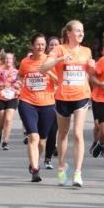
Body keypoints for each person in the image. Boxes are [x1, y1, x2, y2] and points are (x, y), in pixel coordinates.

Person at [39, 20, 95, 187]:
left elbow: (88, 74)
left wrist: (92, 68)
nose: (81, 34)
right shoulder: (59, 49)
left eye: (82, 31)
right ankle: (62, 167)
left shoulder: (87, 51)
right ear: (69, 33)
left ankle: (78, 173)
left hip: (81, 96)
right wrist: (60, 59)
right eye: (77, 31)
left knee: (78, 133)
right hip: (63, 97)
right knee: (62, 134)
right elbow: (43, 68)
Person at [17, 33, 58, 182]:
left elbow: (59, 81)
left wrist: (48, 72)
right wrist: (20, 83)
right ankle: (35, 169)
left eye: (43, 44)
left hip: (47, 104)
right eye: (37, 44)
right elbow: (20, 75)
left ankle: (34, 160)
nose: (40, 47)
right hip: (27, 102)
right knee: (33, 137)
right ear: (32, 46)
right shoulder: (25, 62)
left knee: (42, 141)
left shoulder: (50, 61)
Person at [0, 52, 19, 150]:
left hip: (12, 97)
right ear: (4, 60)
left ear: (13, 60)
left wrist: (18, 88)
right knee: (1, 120)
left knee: (8, 119)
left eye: (10, 59)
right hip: (0, 97)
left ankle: (5, 142)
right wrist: (1, 85)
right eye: (7, 59)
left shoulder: (17, 72)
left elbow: (21, 84)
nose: (8, 60)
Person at [43, 36, 60, 169]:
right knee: (41, 133)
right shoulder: (42, 60)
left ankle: (48, 158)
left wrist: (48, 72)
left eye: (56, 45)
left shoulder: (62, 61)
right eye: (51, 45)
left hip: (57, 99)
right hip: (39, 100)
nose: (54, 47)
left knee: (53, 131)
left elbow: (59, 81)